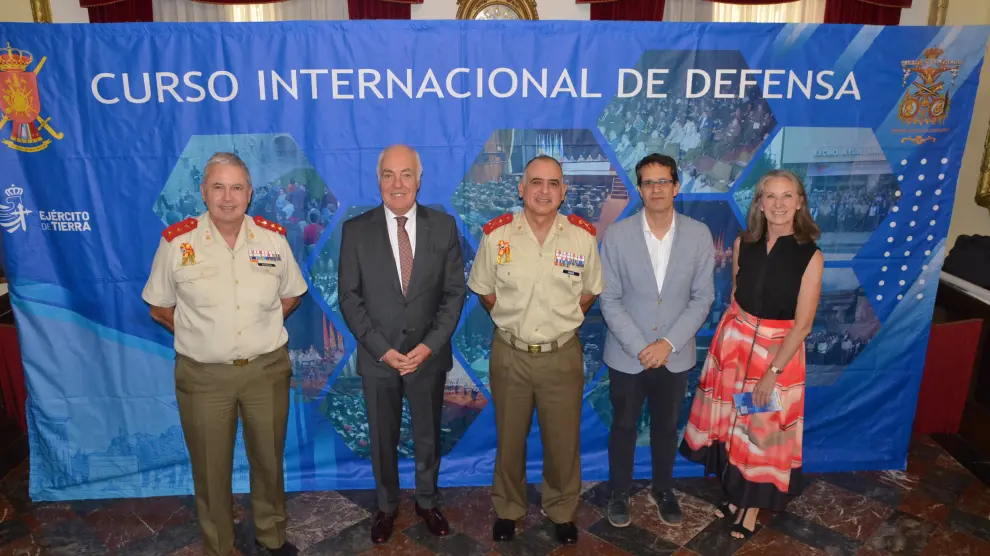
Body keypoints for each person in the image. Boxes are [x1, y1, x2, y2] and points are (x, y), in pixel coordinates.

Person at [142, 152, 307, 556]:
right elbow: (160, 308)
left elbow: (291, 295)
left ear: (250, 194)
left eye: (236, 187)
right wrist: (204, 336)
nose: (228, 197)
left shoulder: (273, 239)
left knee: (268, 462)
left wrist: (258, 327)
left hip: (265, 371)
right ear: (204, 192)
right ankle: (219, 547)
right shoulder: (178, 242)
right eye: (218, 186)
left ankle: (271, 538)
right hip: (203, 377)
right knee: (211, 470)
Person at [467, 155, 604, 546]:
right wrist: (514, 322)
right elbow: (486, 291)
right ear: (521, 188)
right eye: (536, 182)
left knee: (563, 442)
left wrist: (562, 323)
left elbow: (591, 290)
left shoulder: (582, 237)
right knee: (509, 438)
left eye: (553, 183)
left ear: (564, 192)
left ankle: (561, 510)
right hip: (511, 354)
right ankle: (508, 509)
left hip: (562, 356)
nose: (544, 191)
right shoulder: (497, 237)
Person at [679, 169, 823, 539]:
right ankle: (737, 494)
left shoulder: (811, 254)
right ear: (758, 202)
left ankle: (751, 507)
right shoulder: (746, 242)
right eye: (770, 196)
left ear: (800, 202)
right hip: (736, 347)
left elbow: (803, 324)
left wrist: (773, 370)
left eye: (786, 196)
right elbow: (735, 296)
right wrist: (727, 343)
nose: (778, 204)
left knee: (761, 429)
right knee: (734, 426)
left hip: (777, 356)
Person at [337, 144, 466, 545]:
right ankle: (386, 507)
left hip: (427, 357)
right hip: (380, 359)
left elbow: (453, 295)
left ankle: (428, 502)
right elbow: (349, 298)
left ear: (419, 180)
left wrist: (426, 348)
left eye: (406, 174)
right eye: (389, 175)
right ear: (378, 181)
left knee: (428, 436)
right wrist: (382, 349)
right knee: (382, 438)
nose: (398, 183)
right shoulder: (355, 231)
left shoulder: (443, 227)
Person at [598, 154, 715, 528]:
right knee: (624, 426)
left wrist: (668, 344)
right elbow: (609, 298)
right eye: (648, 183)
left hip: (675, 355)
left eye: (663, 181)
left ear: (676, 187)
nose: (656, 189)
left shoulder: (699, 235)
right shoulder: (617, 235)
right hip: (627, 355)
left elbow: (703, 298)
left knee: (666, 428)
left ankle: (663, 489)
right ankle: (619, 491)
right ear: (639, 189)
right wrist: (641, 347)